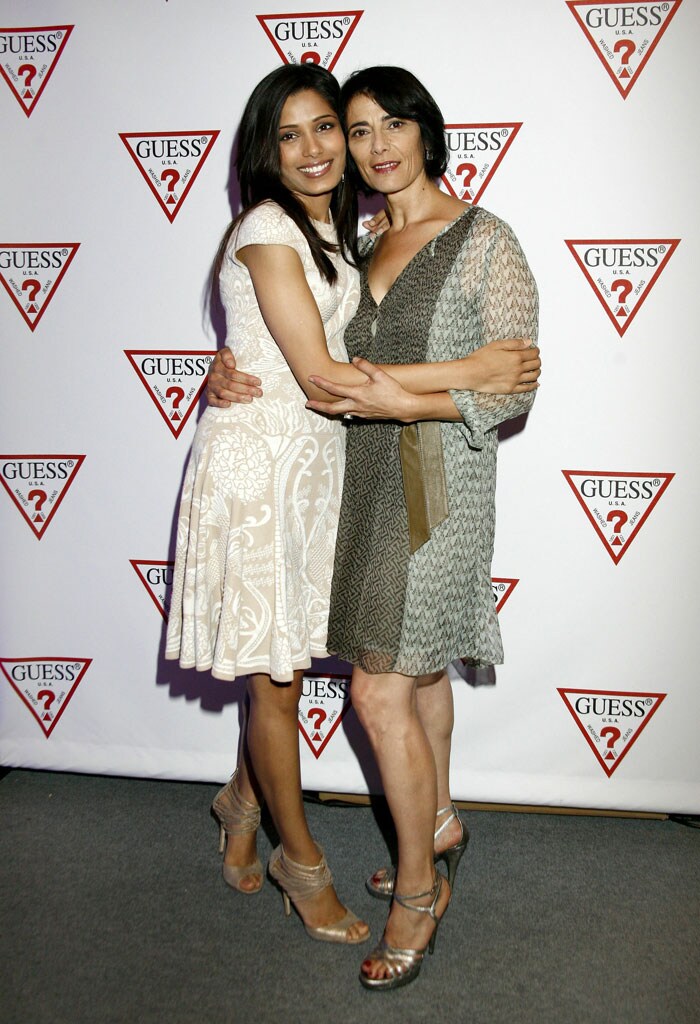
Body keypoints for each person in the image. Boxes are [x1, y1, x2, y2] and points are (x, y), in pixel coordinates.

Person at [167, 63, 538, 949]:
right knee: (356, 670)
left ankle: (415, 882)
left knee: (387, 680)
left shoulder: (486, 240)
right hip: (341, 475)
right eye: (354, 128)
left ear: (425, 133)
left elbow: (517, 373)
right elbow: (313, 362)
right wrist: (455, 376)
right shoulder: (354, 241)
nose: (366, 146)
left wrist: (441, 391)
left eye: (382, 127)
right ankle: (424, 820)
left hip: (433, 482)